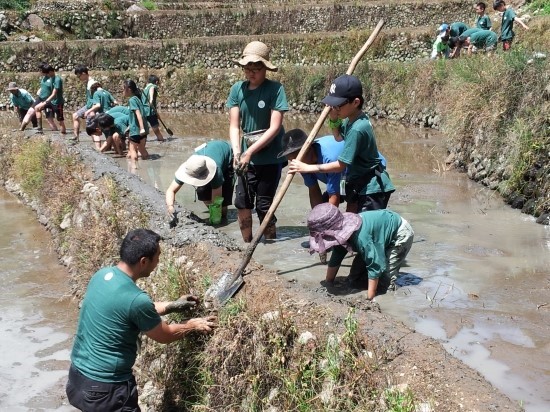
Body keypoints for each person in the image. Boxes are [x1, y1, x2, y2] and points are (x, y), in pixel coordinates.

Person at [66, 228, 216, 411]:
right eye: (158, 257)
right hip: (107, 390)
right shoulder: (136, 300)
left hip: (78, 379)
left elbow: (128, 310)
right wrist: (192, 325)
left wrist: (172, 305)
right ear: (144, 261)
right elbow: (165, 335)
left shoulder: (102, 276)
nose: (158, 262)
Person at [289, 74, 394, 213]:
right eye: (333, 106)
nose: (335, 109)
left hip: (372, 187)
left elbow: (340, 166)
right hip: (358, 183)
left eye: (338, 106)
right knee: (352, 225)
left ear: (355, 102)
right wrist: (333, 118)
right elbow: (338, 136)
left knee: (366, 230)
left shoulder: (358, 128)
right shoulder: (351, 120)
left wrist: (308, 168)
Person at [227, 40, 289, 242]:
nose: (251, 72)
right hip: (245, 157)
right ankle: (248, 245)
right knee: (242, 202)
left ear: (265, 69)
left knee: (264, 205)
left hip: (270, 157)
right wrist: (238, 152)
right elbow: (235, 125)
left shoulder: (275, 89)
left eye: (256, 68)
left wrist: (250, 152)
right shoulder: (237, 89)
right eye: (248, 68)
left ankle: (270, 244)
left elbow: (275, 127)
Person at [307, 203, 414, 300]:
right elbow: (337, 256)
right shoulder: (342, 236)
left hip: (399, 233)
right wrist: (329, 283)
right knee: (354, 279)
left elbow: (375, 265)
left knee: (385, 282)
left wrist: (369, 298)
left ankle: (386, 293)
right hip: (376, 236)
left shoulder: (361, 238)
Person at [166, 140, 234, 224]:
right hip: (210, 154)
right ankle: (214, 214)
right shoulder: (190, 167)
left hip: (227, 157)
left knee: (222, 205)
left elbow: (216, 201)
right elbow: (170, 190)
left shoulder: (217, 171)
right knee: (202, 192)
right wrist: (170, 207)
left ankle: (223, 218)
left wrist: (215, 222)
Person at [278, 128, 345, 208]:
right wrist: (317, 217)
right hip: (340, 181)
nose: (294, 163)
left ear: (309, 149)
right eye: (290, 160)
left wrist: (327, 219)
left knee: (351, 198)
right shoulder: (300, 164)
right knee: (320, 209)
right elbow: (313, 188)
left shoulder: (329, 158)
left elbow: (334, 195)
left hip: (354, 177)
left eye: (295, 159)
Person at [84, 81, 118, 149]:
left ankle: (107, 148)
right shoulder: (106, 92)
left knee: (108, 133)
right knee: (112, 132)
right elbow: (115, 102)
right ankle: (118, 149)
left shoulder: (96, 93)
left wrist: (88, 111)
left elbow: (98, 105)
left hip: (103, 116)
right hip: (111, 114)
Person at [33, 63, 65, 133]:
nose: (46, 76)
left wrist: (44, 103)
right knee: (37, 108)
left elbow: (54, 94)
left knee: (60, 121)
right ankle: (40, 129)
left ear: (50, 72)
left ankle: (63, 135)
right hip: (51, 102)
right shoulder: (51, 78)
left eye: (47, 74)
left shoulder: (57, 80)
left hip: (58, 103)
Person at [123, 79, 149, 167]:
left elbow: (138, 115)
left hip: (136, 130)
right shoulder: (138, 98)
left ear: (129, 89)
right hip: (142, 129)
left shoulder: (132, 100)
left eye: (124, 89)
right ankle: (148, 167)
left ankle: (134, 168)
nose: (123, 91)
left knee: (132, 149)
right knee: (142, 149)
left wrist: (141, 128)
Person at [71, 64, 96, 142]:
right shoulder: (88, 82)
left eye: (79, 76)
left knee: (90, 127)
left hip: (92, 107)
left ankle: (96, 144)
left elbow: (96, 98)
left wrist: (92, 110)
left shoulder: (92, 83)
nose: (79, 78)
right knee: (75, 116)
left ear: (84, 74)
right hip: (88, 106)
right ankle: (76, 137)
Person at [142, 74, 165, 142]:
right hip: (150, 111)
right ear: (156, 82)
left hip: (144, 111)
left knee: (145, 128)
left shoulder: (145, 88)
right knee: (155, 128)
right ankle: (161, 140)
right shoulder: (152, 87)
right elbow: (151, 99)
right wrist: (154, 110)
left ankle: (143, 142)